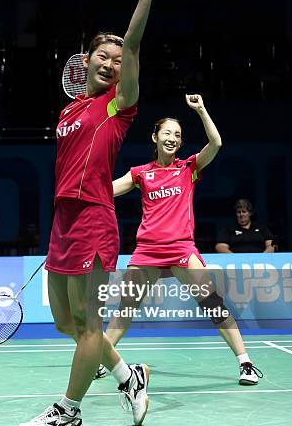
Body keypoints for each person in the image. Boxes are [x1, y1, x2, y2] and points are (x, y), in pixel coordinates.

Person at [18, 0, 158, 426]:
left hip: (95, 220)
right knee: (67, 323)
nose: (111, 62)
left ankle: (69, 410)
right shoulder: (70, 110)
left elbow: (133, 43)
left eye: (118, 61)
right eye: (103, 56)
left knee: (91, 325)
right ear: (86, 60)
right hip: (63, 220)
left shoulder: (118, 107)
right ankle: (128, 375)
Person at [95, 95, 263, 385]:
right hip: (147, 251)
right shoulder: (141, 174)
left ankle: (245, 363)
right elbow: (106, 191)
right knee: (126, 308)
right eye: (167, 133)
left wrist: (201, 110)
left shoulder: (188, 169)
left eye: (177, 135)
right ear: (155, 137)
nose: (172, 138)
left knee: (212, 302)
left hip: (182, 248)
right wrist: (80, 193)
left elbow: (216, 144)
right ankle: (102, 359)